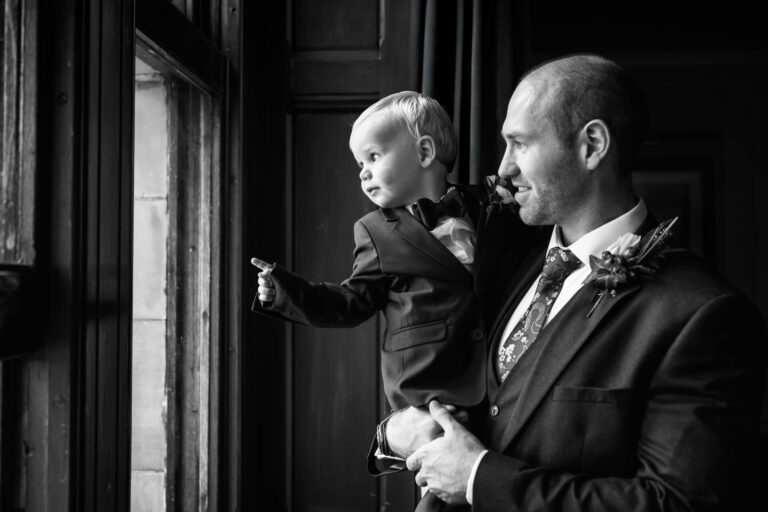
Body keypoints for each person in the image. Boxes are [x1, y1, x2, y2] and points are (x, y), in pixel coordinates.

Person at [377, 55, 767, 511]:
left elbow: (677, 504)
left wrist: (479, 478)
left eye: (519, 144)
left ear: (592, 145)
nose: (502, 169)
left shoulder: (703, 314)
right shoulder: (501, 262)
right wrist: (392, 433)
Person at [251, 92, 530, 424]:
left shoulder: (490, 205)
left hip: (506, 382)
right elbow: (350, 301)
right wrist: (284, 290)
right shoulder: (374, 232)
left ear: (425, 152)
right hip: (429, 391)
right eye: (360, 164)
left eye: (374, 156)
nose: (363, 173)